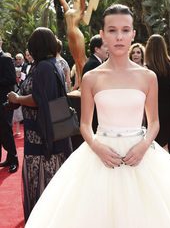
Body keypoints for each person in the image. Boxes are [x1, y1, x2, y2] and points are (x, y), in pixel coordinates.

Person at [25, 4, 170, 228]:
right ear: (102, 34)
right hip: (100, 153)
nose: (119, 36)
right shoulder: (91, 78)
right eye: (112, 30)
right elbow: (84, 125)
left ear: (133, 34)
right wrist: (97, 146)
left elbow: (154, 122)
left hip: (140, 153)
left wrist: (144, 145)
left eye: (125, 30)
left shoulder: (147, 77)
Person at [7, 27, 72, 222]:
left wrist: (18, 98)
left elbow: (39, 99)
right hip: (46, 133)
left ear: (36, 46)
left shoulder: (44, 67)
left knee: (42, 182)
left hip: (41, 137)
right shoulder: (52, 64)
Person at [145, 34, 170, 168]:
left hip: (153, 111)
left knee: (155, 143)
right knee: (169, 143)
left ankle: (159, 171)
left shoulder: (147, 68)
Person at [52, 0, 86, 86]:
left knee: (81, 60)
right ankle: (79, 83)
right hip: (70, 37)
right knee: (76, 60)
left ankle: (84, 83)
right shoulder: (68, 10)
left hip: (77, 35)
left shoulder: (80, 11)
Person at [82, 34, 108, 133]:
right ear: (97, 49)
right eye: (105, 46)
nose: (108, 49)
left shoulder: (95, 63)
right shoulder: (94, 64)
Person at [0, 35, 19, 173]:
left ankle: (14, 159)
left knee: (6, 129)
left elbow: (12, 79)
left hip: (5, 101)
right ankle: (7, 158)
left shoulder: (6, 58)